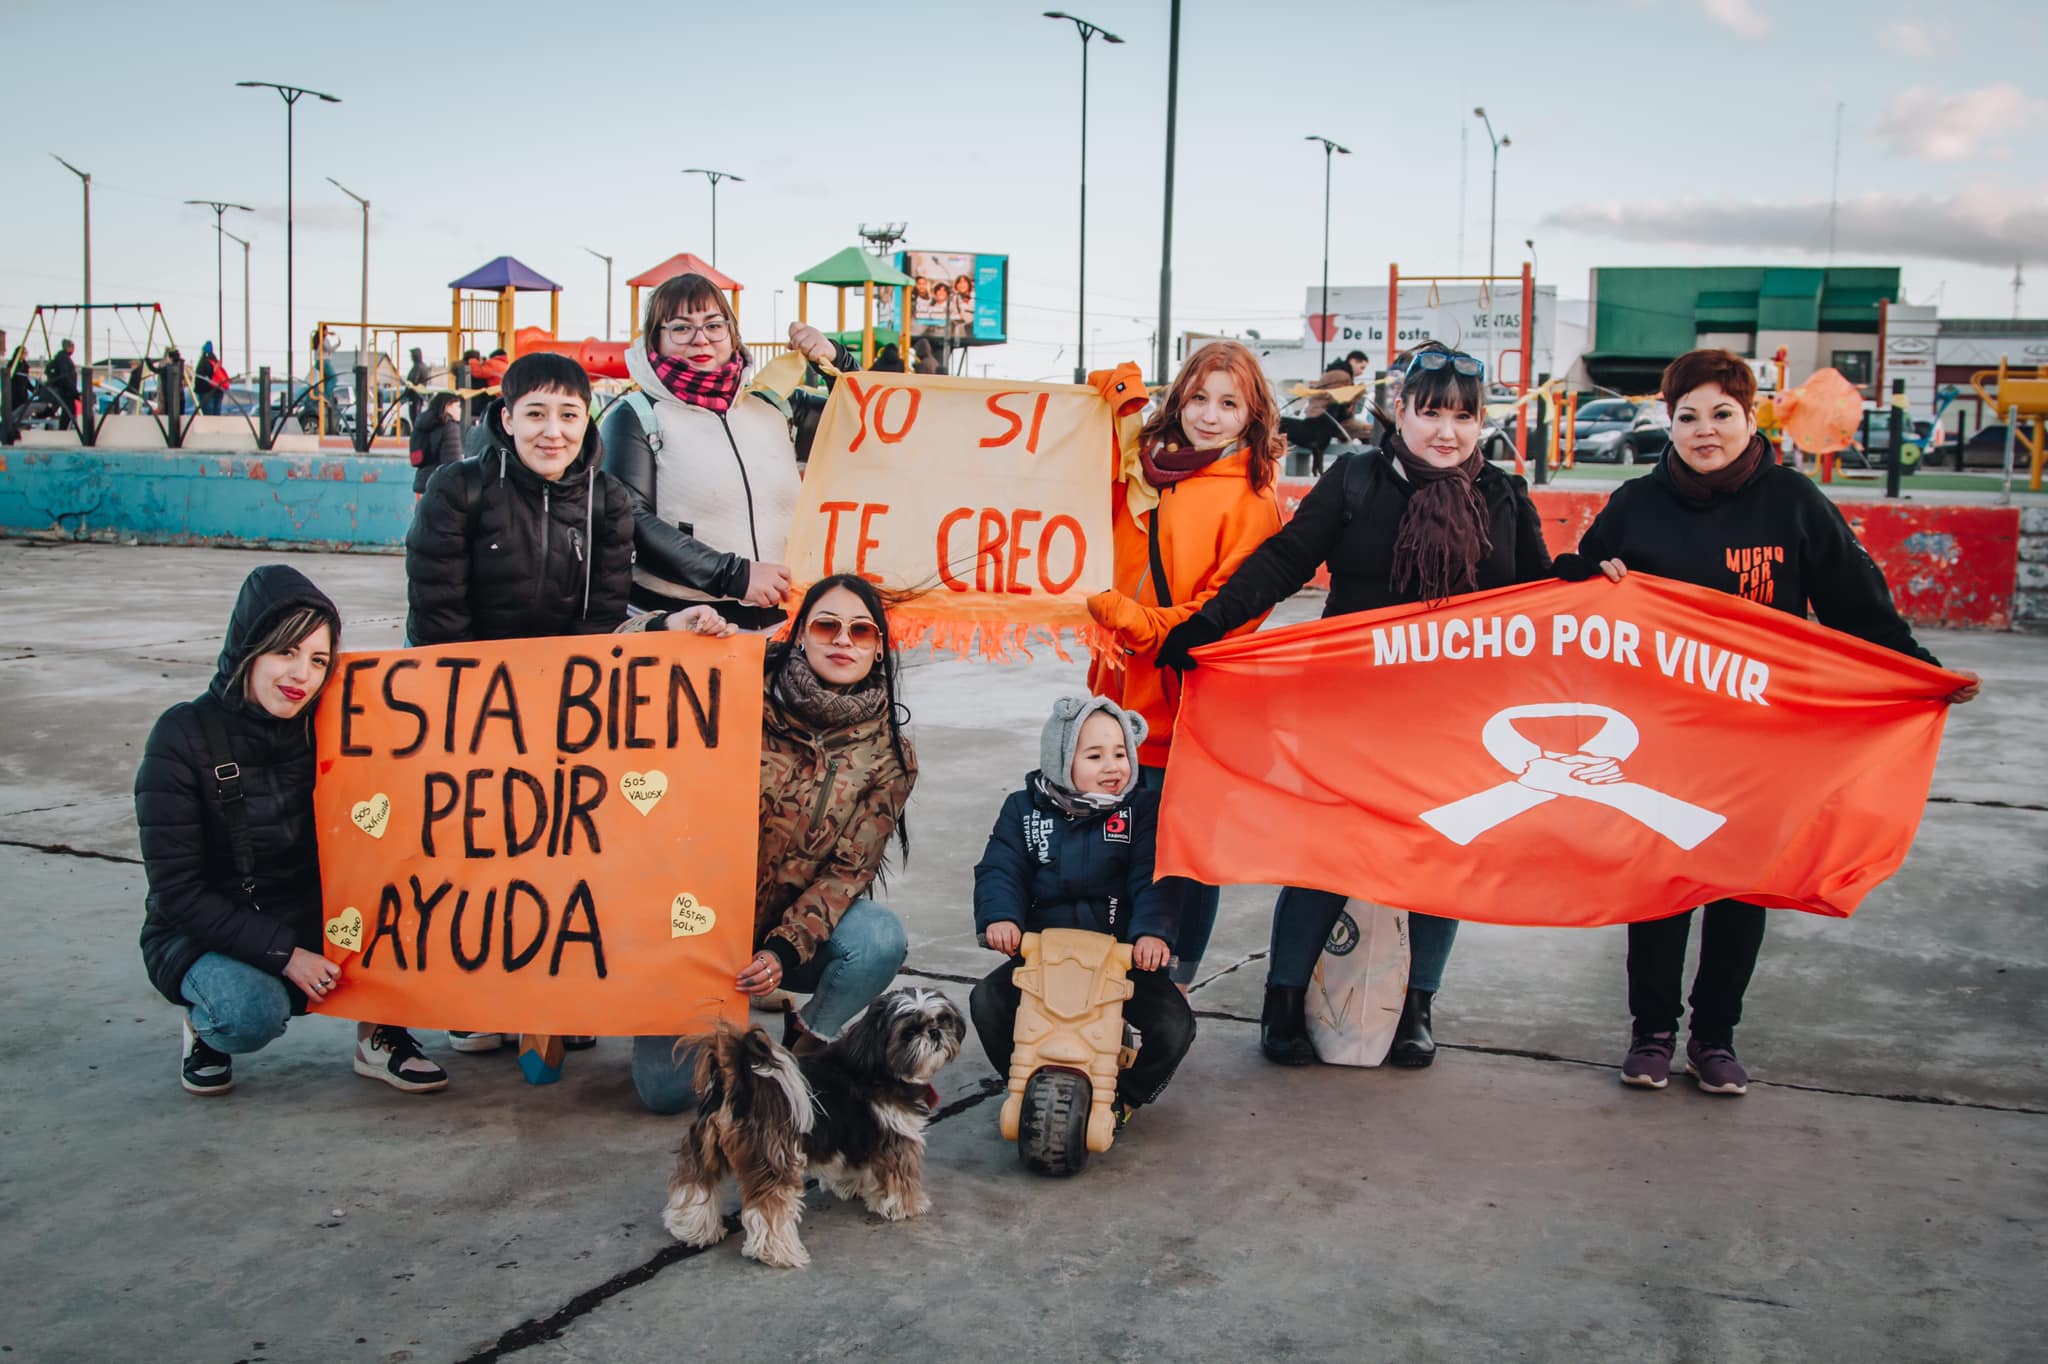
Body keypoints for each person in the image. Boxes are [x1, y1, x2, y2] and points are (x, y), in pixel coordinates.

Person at [1551, 348, 1982, 1097]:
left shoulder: (1791, 501)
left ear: (1751, 419)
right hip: (1662, 733)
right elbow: (1575, 591)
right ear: (1669, 422)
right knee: (1660, 884)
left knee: (1739, 886)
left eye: (1722, 414)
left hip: (1760, 737)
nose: (1705, 431)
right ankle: (1651, 1034)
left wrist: (1919, 671)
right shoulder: (1634, 505)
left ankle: (1714, 1039)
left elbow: (1855, 602)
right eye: (1688, 416)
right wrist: (1585, 574)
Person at [1159, 342, 1553, 1069]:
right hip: (1345, 710)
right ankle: (1281, 1003)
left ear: (1481, 424)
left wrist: (1603, 581)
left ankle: (1415, 1008)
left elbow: (1545, 601)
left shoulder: (1503, 495)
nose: (1447, 431)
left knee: (1441, 860)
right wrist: (1206, 626)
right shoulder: (1359, 478)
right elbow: (1284, 561)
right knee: (1325, 856)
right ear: (1398, 411)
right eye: (1430, 411)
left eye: (1463, 417)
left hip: (1454, 718)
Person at [135, 565, 451, 1095]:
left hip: (311, 914)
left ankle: (381, 1032)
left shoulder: (337, 725)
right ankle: (206, 1026)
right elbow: (178, 894)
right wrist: (285, 954)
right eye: (286, 651)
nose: (301, 674)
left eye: (318, 659)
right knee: (250, 1011)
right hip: (207, 929)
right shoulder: (183, 737)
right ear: (248, 648)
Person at [632, 575, 917, 1113]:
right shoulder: (733, 684)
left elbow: (846, 875)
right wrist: (667, 627)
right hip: (690, 925)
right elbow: (615, 664)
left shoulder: (888, 753)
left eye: (861, 631)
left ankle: (802, 1050)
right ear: (800, 634)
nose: (842, 640)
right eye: (827, 625)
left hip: (782, 931)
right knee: (667, 1095)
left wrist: (783, 951)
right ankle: (676, 1007)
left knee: (879, 937)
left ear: (878, 647)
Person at [1085, 340, 1286, 992]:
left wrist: (1143, 625)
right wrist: (1117, 396)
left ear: (1251, 415)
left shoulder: (1251, 500)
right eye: (1198, 396)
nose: (1208, 414)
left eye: (1229, 403)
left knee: (1181, 859)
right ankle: (1111, 979)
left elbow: (1231, 611)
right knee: (1107, 853)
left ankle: (1170, 988)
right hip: (1114, 705)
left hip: (1190, 710)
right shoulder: (1145, 467)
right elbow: (1083, 438)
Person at [970, 696, 1194, 1125]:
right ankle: (1025, 1078)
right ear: (1059, 760)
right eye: (1094, 756)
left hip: (1119, 958)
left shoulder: (1141, 811)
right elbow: (1002, 867)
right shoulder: (1024, 809)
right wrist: (1002, 918)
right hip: (1043, 956)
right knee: (988, 1002)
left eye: (1121, 754)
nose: (1113, 766)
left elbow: (1155, 876)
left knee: (1173, 1026)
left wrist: (1151, 933)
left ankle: (1123, 1098)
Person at [601, 272, 852, 633]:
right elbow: (630, 518)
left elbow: (862, 422)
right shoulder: (636, 415)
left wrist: (837, 362)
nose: (700, 339)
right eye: (681, 328)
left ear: (733, 334)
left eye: (713, 325)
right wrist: (734, 575)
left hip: (786, 617)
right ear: (656, 339)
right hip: (690, 621)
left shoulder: (773, 405)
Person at [405, 351, 639, 647]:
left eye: (568, 415)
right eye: (535, 414)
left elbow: (604, 613)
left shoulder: (608, 500)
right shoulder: (457, 488)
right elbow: (439, 612)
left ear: (585, 422)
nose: (553, 433)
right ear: (508, 420)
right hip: (469, 670)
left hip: (563, 673)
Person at [408, 392, 463, 496]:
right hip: (442, 487)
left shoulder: (421, 424)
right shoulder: (450, 427)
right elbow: (453, 464)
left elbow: (415, 458)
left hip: (422, 482)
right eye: (457, 406)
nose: (460, 410)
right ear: (447, 407)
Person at [46, 338, 80, 429]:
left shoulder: (59, 358)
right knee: (69, 411)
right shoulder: (64, 359)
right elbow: (65, 377)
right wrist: (74, 392)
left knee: (69, 411)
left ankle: (64, 429)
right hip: (66, 391)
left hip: (64, 390)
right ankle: (63, 430)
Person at [193, 342, 225, 416]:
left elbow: (199, 379)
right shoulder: (216, 362)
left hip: (206, 392)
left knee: (208, 417)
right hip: (218, 390)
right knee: (216, 415)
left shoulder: (202, 363)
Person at [405, 346, 431, 429]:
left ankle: (417, 433)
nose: (411, 357)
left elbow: (413, 381)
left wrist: (407, 389)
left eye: (412, 355)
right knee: (416, 416)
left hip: (415, 395)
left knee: (414, 416)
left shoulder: (417, 367)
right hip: (420, 395)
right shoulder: (424, 366)